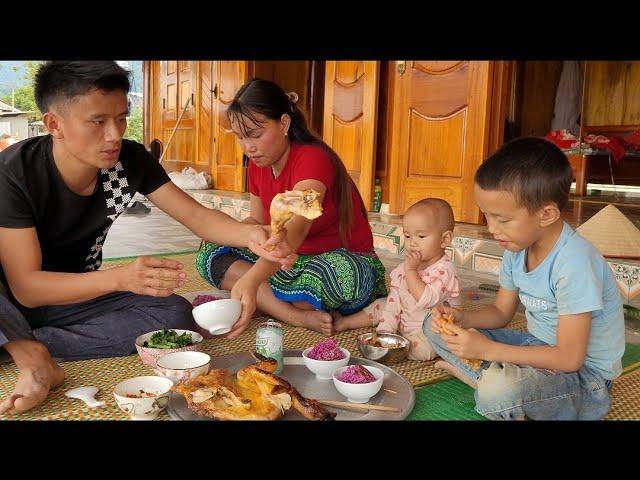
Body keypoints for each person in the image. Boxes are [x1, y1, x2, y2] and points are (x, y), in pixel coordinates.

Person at [0, 62, 292, 415]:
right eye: (98, 121)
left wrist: (251, 235)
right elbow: (26, 288)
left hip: (75, 293)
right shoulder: (14, 174)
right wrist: (121, 277)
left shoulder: (129, 162)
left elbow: (198, 218)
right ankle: (29, 355)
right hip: (9, 301)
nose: (113, 135)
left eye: (121, 119)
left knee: (173, 312)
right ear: (54, 124)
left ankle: (26, 343)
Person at [425, 137, 625, 420]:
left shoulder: (575, 263)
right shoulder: (516, 247)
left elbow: (569, 358)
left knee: (500, 390)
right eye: (487, 216)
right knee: (433, 327)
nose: (492, 229)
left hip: (583, 380)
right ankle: (494, 385)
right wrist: (460, 319)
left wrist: (490, 351)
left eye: (502, 220)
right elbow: (500, 313)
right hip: (535, 349)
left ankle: (486, 382)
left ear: (546, 214)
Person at [196, 78, 387, 336]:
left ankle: (265, 298)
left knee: (341, 276)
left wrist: (251, 280)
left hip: (337, 260)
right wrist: (237, 234)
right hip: (287, 263)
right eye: (240, 137)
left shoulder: (313, 159)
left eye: (255, 135)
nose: (248, 147)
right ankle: (293, 313)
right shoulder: (256, 164)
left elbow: (295, 230)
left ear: (284, 123)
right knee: (211, 251)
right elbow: (256, 221)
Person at [331, 198, 460, 361]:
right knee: (381, 304)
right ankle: (346, 322)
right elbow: (395, 299)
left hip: (428, 328)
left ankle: (402, 348)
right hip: (405, 317)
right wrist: (385, 330)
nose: (412, 243)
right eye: (407, 236)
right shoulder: (409, 265)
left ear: (444, 239)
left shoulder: (444, 270)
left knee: (428, 348)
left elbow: (426, 299)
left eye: (421, 236)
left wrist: (411, 271)